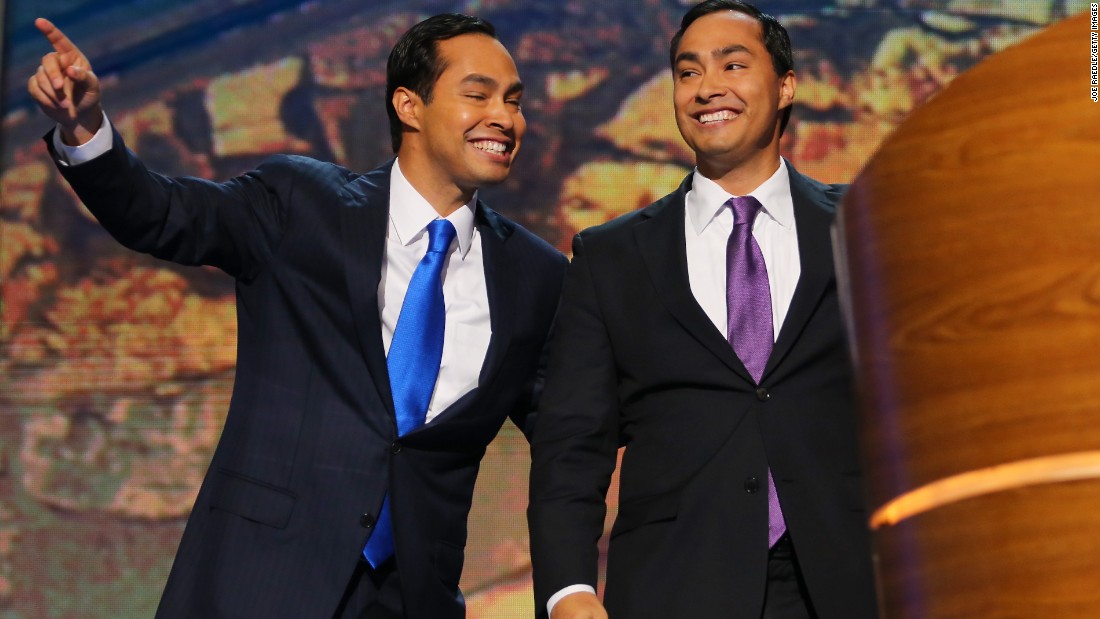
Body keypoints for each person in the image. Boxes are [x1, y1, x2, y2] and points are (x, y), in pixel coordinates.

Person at [29, 12, 565, 619]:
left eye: (515, 101)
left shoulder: (537, 276)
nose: (506, 117)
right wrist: (85, 130)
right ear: (409, 106)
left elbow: (571, 432)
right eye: (479, 95)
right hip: (254, 583)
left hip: (410, 600)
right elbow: (162, 214)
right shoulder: (299, 203)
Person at [527, 2, 877, 618]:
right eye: (687, 73)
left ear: (786, 84)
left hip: (846, 583)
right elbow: (571, 446)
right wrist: (568, 589)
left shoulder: (866, 224)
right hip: (674, 587)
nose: (706, 87)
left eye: (732, 64)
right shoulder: (611, 257)